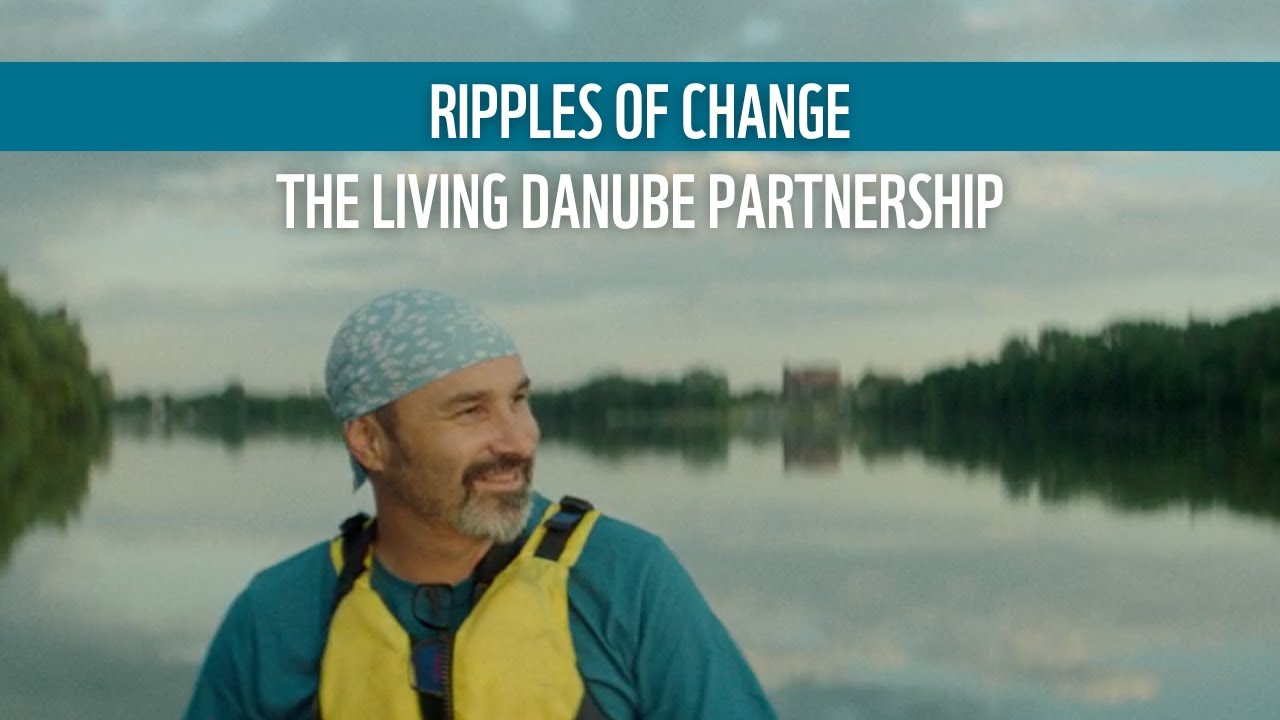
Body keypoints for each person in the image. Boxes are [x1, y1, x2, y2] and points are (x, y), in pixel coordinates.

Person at [183, 288, 777, 720]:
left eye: (519, 401)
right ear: (370, 441)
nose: (519, 440)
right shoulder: (275, 615)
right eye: (471, 412)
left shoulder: (627, 579)